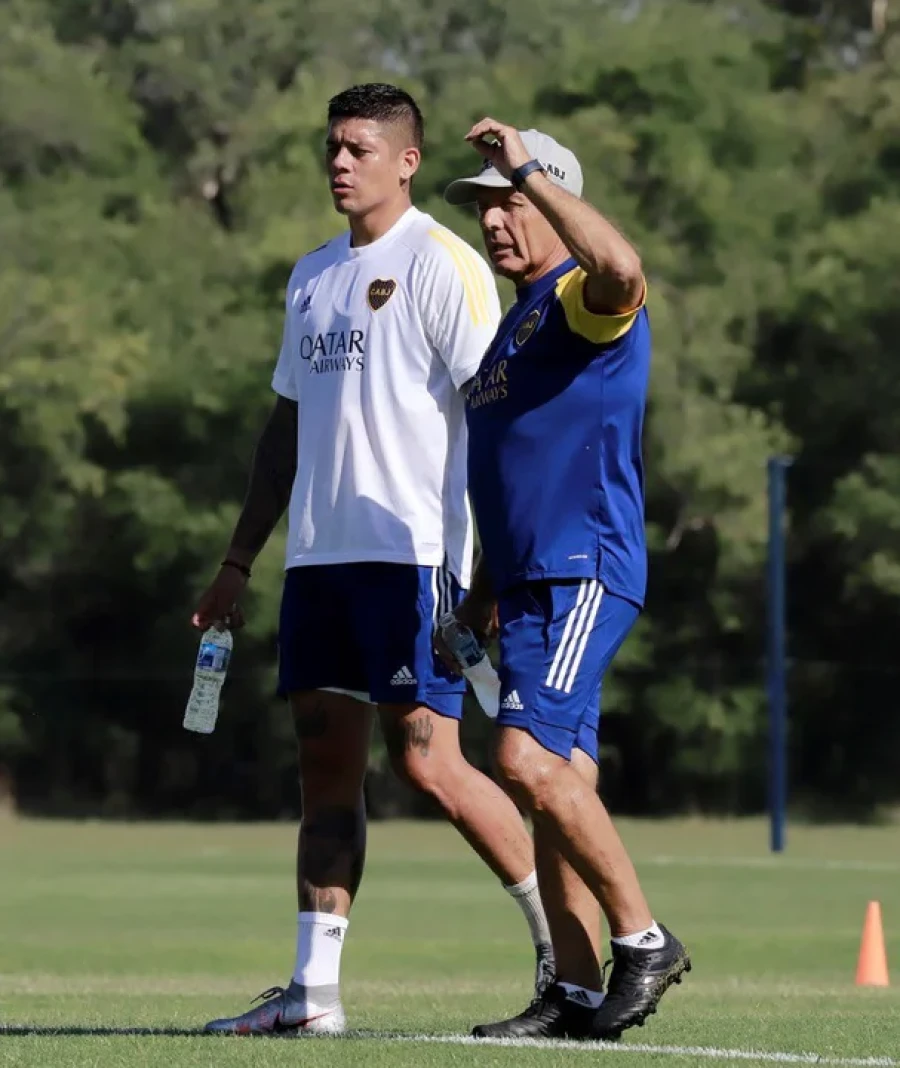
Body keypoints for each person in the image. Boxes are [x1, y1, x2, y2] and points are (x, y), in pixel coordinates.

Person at [191, 85, 555, 1036]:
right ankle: (313, 998)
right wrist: (238, 561)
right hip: (319, 562)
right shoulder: (310, 276)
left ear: (404, 160)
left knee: (429, 761)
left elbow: (498, 415)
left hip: (412, 557)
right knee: (325, 769)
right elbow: (287, 426)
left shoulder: (444, 264)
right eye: (331, 148)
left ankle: (565, 953)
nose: (339, 163)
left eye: (358, 148)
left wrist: (490, 566)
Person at [439, 120, 691, 1041]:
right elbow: (511, 468)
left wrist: (532, 170)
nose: (495, 220)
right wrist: (477, 598)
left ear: (551, 197)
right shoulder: (518, 321)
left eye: (509, 201)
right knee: (557, 781)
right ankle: (577, 992)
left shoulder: (583, 296)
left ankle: (645, 941)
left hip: (584, 565)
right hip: (528, 583)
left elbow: (625, 269)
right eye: (485, 207)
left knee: (523, 760)